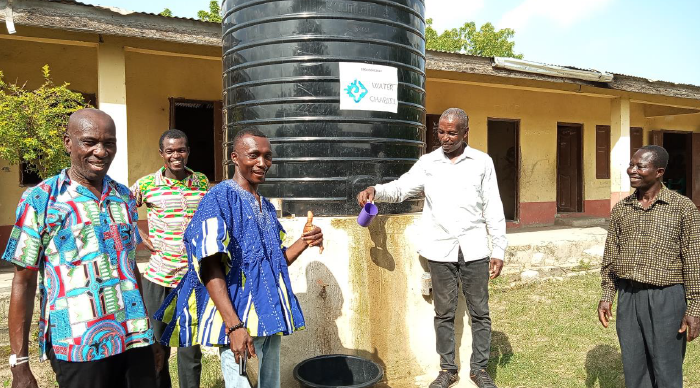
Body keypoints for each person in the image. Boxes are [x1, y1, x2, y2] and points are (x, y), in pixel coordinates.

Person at [155, 128, 323, 388]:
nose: (262, 163)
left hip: (267, 316)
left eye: (268, 157)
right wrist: (234, 326)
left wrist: (304, 242)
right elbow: (209, 265)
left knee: (270, 384)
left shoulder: (265, 206)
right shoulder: (219, 197)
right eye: (254, 155)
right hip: (239, 319)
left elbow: (273, 264)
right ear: (234, 157)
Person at [3, 108, 156, 388]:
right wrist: (19, 363)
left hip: (134, 338)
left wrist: (148, 330)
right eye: (90, 142)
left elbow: (129, 265)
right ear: (68, 143)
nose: (101, 151)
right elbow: (23, 282)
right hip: (78, 344)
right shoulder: (41, 200)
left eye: (109, 143)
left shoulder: (123, 196)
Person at [357, 108, 507, 388]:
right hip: (440, 250)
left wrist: (498, 249)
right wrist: (375, 190)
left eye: (452, 132)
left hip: (474, 249)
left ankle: (479, 369)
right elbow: (402, 188)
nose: (445, 138)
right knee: (444, 312)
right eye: (441, 131)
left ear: (465, 133)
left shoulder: (482, 163)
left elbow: (494, 207)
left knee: (480, 312)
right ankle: (448, 369)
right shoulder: (428, 163)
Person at [598, 145, 700, 388]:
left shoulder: (682, 208)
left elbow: (694, 260)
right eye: (631, 165)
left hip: (667, 298)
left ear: (659, 172)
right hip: (629, 296)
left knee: (666, 366)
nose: (632, 170)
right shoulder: (622, 209)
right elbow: (611, 255)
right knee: (634, 366)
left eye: (640, 166)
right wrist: (607, 295)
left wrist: (695, 307)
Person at [130, 129, 208, 388]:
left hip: (192, 278)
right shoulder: (147, 185)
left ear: (188, 151)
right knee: (157, 348)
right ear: (162, 153)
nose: (177, 155)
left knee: (189, 349)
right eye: (171, 151)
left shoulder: (201, 182)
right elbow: (121, 208)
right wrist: (138, 233)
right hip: (158, 277)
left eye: (182, 149)